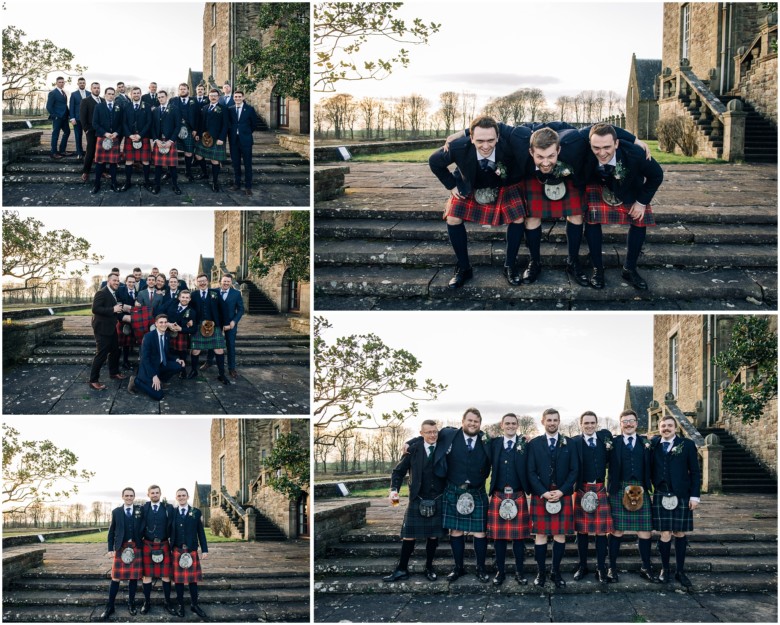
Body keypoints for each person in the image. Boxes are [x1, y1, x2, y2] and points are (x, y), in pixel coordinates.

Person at [429, 116, 525, 288]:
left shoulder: (510, 144)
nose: (486, 146)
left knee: (518, 218)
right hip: (469, 186)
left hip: (504, 185)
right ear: (471, 138)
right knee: (452, 218)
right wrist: (451, 185)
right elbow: (434, 161)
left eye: (490, 140)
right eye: (480, 141)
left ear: (498, 137)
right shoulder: (458, 147)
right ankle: (464, 268)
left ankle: (510, 265)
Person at [582, 123, 664, 290]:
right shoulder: (584, 148)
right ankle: (598, 268)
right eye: (596, 147)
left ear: (617, 143)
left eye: (607, 147)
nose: (602, 153)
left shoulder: (636, 154)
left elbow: (657, 175)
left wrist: (641, 203)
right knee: (591, 218)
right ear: (589, 144)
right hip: (597, 184)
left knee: (639, 220)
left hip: (630, 187)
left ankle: (629, 268)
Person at [382, 420, 446, 583]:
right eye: (428, 432)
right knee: (408, 536)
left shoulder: (443, 447)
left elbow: (453, 430)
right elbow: (398, 472)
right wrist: (394, 490)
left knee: (433, 537)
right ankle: (401, 569)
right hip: (417, 497)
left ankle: (429, 567)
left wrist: (408, 440)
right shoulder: (413, 450)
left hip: (438, 497)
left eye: (435, 432)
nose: (432, 435)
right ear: (421, 433)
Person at [434, 408, 492, 582]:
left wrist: (524, 439)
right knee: (456, 530)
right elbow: (427, 436)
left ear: (480, 423)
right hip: (454, 489)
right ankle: (458, 568)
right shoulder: (448, 434)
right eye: (470, 420)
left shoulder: (486, 439)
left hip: (477, 490)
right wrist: (410, 441)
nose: (473, 424)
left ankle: (480, 569)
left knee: (480, 532)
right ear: (463, 421)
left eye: (476, 421)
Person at [526, 408, 579, 588]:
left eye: (555, 420)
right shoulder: (534, 444)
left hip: (561, 495)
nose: (552, 423)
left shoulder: (569, 443)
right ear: (543, 422)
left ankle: (555, 572)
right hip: (542, 495)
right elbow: (530, 472)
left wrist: (563, 491)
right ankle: (541, 572)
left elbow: (574, 470)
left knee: (560, 535)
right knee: (540, 535)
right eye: (549, 420)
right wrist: (543, 492)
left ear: (559, 421)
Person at [607, 409, 658, 583]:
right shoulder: (613, 443)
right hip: (619, 489)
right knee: (616, 531)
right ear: (620, 424)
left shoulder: (647, 443)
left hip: (641, 488)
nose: (628, 424)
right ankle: (611, 568)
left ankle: (646, 567)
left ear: (636, 423)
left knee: (645, 531)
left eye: (631, 421)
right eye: (624, 421)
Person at [650, 415, 701, 587]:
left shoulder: (686, 445)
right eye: (663, 425)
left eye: (669, 425)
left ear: (675, 427)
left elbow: (694, 472)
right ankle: (665, 569)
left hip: (682, 494)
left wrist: (695, 496)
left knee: (680, 533)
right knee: (664, 533)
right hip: (661, 493)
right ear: (659, 427)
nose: (666, 428)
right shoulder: (654, 444)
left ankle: (680, 571)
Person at [570, 410, 614, 583]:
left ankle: (601, 568)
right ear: (581, 425)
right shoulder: (574, 442)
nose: (589, 426)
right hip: (581, 489)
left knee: (601, 532)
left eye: (592, 423)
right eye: (586, 423)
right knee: (581, 532)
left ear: (597, 424)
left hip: (600, 488)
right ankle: (582, 566)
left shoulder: (605, 439)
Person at [487, 413, 530, 586]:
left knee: (519, 539)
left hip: (518, 494)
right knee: (499, 539)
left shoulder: (525, 443)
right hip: (498, 494)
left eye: (513, 423)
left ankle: (520, 572)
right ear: (502, 425)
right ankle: (500, 572)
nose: (510, 426)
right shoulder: (494, 443)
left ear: (517, 425)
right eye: (507, 423)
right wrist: (413, 442)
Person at [99, 487, 143, 620]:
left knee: (133, 578)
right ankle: (110, 606)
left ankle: (131, 603)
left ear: (134, 497)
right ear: (122, 497)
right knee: (115, 578)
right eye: (127, 495)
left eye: (131, 496)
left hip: (136, 546)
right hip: (120, 548)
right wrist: (110, 549)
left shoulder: (140, 510)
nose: (129, 498)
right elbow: (111, 531)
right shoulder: (116, 512)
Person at [139, 485, 177, 615]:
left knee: (166, 575)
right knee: (147, 575)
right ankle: (147, 602)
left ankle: (168, 602)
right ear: (148, 494)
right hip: (147, 544)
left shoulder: (168, 508)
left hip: (164, 543)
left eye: (157, 492)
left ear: (160, 494)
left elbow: (175, 525)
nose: (155, 495)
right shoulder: (143, 508)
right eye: (152, 493)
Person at [128, 314, 185, 400]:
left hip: (160, 364)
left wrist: (177, 359)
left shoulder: (166, 335)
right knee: (158, 396)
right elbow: (145, 359)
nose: (163, 324)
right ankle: (135, 381)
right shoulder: (148, 337)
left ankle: (161, 380)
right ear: (156, 324)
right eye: (161, 322)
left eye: (165, 322)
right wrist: (154, 376)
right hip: (149, 367)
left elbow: (166, 354)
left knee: (179, 366)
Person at [170, 488, 208, 618]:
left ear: (187, 496)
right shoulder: (172, 512)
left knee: (193, 581)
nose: (181, 497)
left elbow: (200, 532)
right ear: (176, 497)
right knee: (178, 581)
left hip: (191, 549)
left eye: (183, 495)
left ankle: (194, 604)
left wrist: (204, 549)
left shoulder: (196, 512)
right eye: (179, 495)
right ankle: (180, 605)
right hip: (177, 549)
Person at [188, 273, 230, 385]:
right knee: (195, 350)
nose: (202, 283)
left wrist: (226, 323)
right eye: (200, 281)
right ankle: (194, 371)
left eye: (204, 281)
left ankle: (222, 374)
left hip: (214, 325)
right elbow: (189, 309)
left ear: (208, 281)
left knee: (219, 350)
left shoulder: (215, 293)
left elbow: (223, 308)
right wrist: (189, 320)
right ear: (197, 283)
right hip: (198, 326)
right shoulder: (194, 294)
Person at [89, 273, 128, 390]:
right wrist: (113, 309)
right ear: (108, 281)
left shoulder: (113, 293)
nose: (117, 282)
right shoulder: (101, 292)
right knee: (101, 355)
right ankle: (93, 380)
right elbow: (95, 309)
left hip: (111, 328)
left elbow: (111, 308)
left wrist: (119, 309)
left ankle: (114, 372)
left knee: (116, 351)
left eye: (118, 281)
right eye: (114, 280)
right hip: (102, 329)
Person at [204, 274, 243, 378]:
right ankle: (209, 362)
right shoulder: (213, 291)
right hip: (215, 323)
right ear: (220, 281)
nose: (226, 283)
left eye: (228, 281)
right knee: (212, 343)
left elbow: (240, 310)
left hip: (230, 323)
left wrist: (234, 321)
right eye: (224, 281)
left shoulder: (236, 294)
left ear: (231, 282)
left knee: (230, 345)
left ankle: (232, 368)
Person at [91, 87, 125, 194]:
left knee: (113, 163)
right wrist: (105, 133)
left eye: (112, 94)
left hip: (114, 138)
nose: (110, 96)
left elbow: (121, 123)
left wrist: (116, 133)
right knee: (100, 163)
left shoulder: (119, 106)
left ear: (114, 95)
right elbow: (95, 123)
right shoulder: (98, 106)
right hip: (102, 137)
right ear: (105, 95)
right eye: (108, 94)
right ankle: (97, 185)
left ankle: (113, 184)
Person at [194, 89, 228, 192]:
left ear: (218, 97)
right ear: (208, 96)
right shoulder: (204, 108)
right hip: (204, 137)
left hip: (216, 138)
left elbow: (226, 125)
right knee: (198, 156)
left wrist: (221, 138)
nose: (213, 97)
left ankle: (215, 182)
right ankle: (205, 174)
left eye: (215, 95)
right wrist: (198, 135)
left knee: (214, 160)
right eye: (211, 95)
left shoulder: (223, 108)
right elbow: (201, 123)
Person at [150, 90, 182, 195]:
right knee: (158, 165)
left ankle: (175, 185)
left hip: (170, 140)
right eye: (158, 97)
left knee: (172, 165)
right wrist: (155, 140)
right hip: (159, 141)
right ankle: (157, 185)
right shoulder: (155, 110)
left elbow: (178, 126)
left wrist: (171, 140)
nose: (160, 99)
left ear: (166, 96)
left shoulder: (175, 109)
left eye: (162, 97)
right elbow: (153, 127)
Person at [121, 87, 153, 192]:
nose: (136, 94)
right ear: (131, 94)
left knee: (145, 160)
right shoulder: (126, 106)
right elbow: (124, 122)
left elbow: (149, 122)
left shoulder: (147, 106)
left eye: (138, 93)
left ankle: (147, 183)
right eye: (134, 93)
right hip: (130, 137)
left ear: (141, 94)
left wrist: (141, 135)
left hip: (143, 137)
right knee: (129, 160)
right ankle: (127, 183)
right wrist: (129, 135)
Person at [227, 91, 259, 196]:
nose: (237, 98)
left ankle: (248, 187)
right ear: (233, 98)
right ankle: (237, 184)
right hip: (233, 141)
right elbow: (228, 123)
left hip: (246, 141)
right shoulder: (230, 109)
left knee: (247, 164)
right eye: (235, 97)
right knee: (235, 164)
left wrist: (246, 132)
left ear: (243, 97)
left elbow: (254, 124)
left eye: (239, 97)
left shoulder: (249, 109)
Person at [173, 83, 199, 181]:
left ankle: (188, 171)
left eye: (184, 89)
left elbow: (198, 117)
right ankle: (170, 172)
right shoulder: (173, 100)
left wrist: (196, 129)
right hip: (175, 129)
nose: (182, 90)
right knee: (172, 151)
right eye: (181, 89)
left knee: (188, 152)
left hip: (189, 129)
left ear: (188, 90)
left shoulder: (194, 101)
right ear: (178, 90)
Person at [80, 82, 103, 182]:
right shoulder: (85, 101)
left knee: (103, 151)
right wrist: (86, 129)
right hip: (91, 130)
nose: (97, 89)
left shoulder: (103, 100)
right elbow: (82, 117)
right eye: (95, 88)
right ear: (91, 89)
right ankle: (86, 171)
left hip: (102, 131)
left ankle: (103, 171)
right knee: (90, 150)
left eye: (98, 88)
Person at [46, 76, 70, 159]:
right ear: (56, 83)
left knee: (67, 132)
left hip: (64, 117)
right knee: (55, 134)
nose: (61, 83)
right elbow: (49, 106)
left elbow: (64, 105)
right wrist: (54, 116)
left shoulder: (63, 93)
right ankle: (53, 153)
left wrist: (69, 114)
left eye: (63, 82)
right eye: (60, 82)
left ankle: (62, 150)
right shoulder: (53, 93)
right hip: (57, 117)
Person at [69, 77, 88, 161]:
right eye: (80, 83)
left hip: (88, 120)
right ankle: (79, 153)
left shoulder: (89, 93)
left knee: (89, 137)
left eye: (83, 82)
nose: (82, 84)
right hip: (77, 119)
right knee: (78, 136)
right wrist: (72, 118)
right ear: (78, 84)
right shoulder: (74, 94)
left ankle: (89, 153)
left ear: (85, 83)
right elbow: (71, 107)